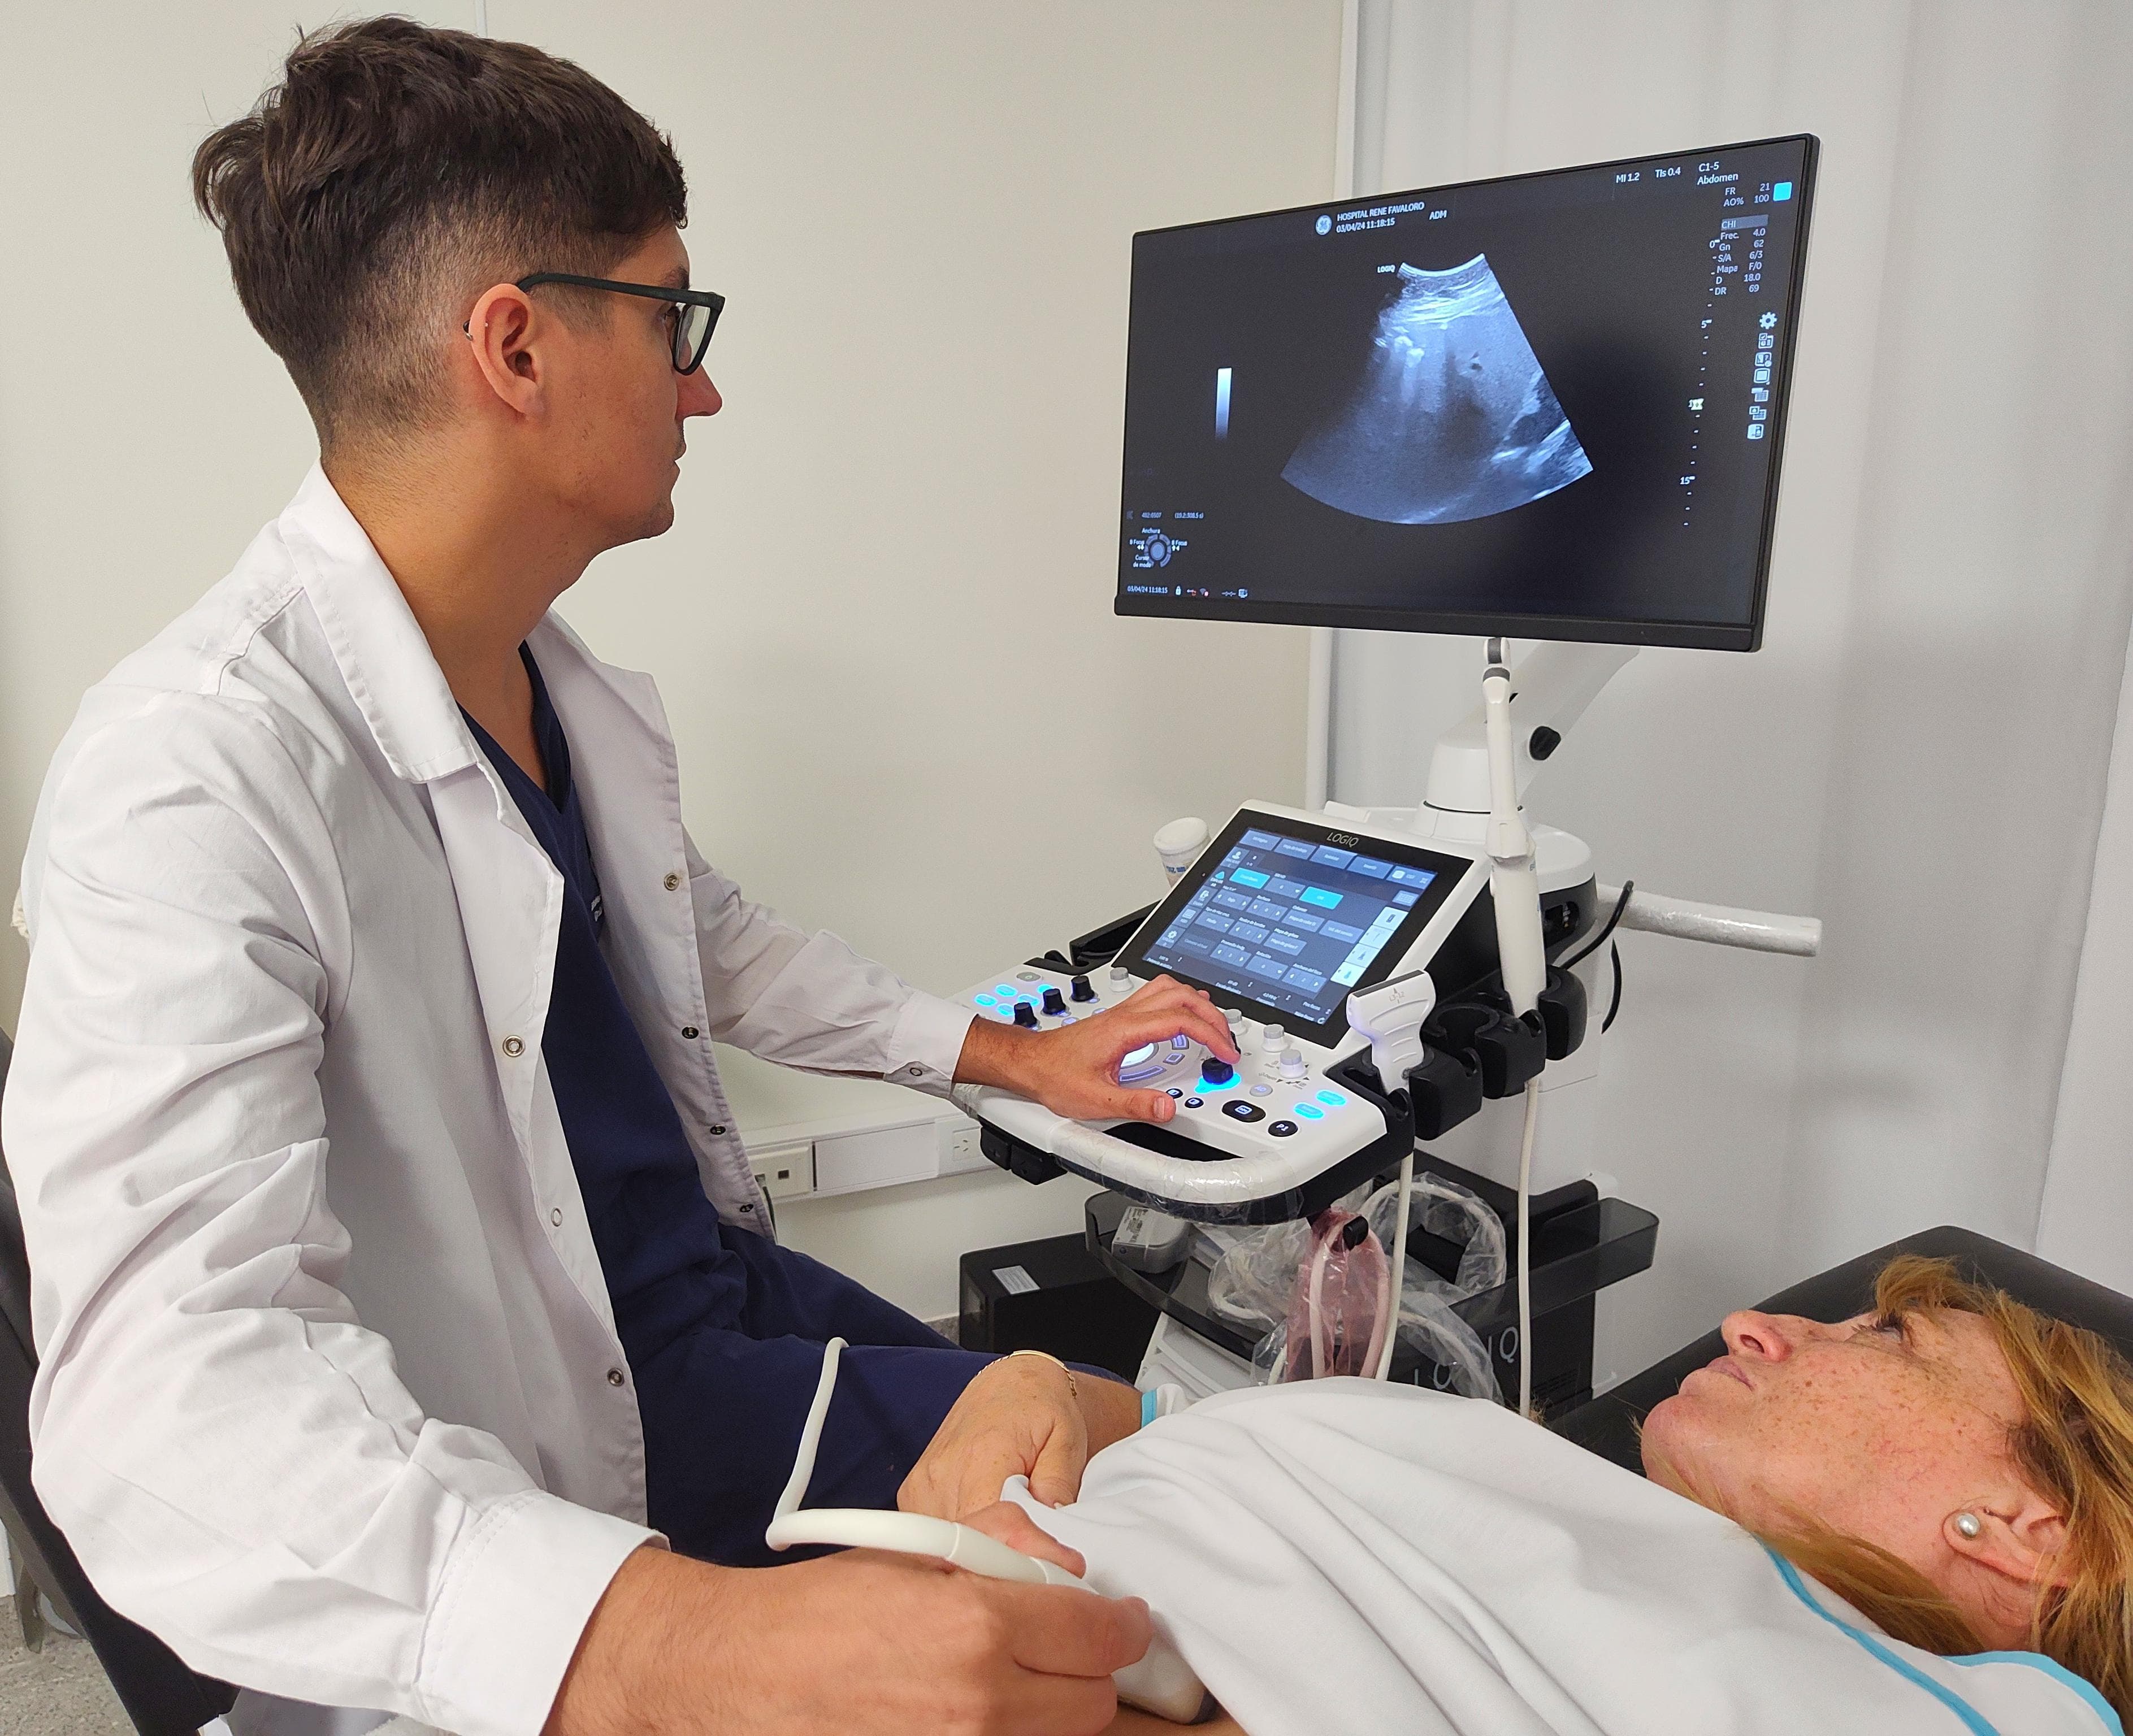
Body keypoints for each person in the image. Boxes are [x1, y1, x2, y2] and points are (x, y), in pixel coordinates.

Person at [0, 19, 1238, 1736]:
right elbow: (162, 1397)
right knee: (1155, 1610)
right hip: (585, 1436)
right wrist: (667, 1647)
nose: (700, 385)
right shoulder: (195, 769)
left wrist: (1006, 1055)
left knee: (1098, 1424)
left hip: (708, 1300)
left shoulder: (540, 677)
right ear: (516, 344)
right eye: (672, 318)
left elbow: (696, 937)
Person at [990, 1255, 2133, 1734]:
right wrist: (1050, 1391)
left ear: (2036, 1536)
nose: (1753, 1325)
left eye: (1885, 1338)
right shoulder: (1571, 1507)